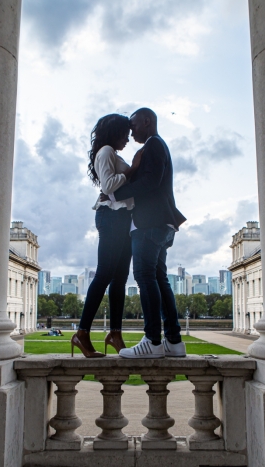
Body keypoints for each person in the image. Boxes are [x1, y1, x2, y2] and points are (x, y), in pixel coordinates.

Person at [110, 108, 187, 358]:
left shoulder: (153, 145)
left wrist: (115, 193)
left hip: (150, 224)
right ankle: (173, 342)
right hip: (162, 224)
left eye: (134, 126)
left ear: (147, 121)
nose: (131, 131)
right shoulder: (157, 145)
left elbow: (150, 183)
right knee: (158, 278)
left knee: (144, 276)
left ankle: (153, 341)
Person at [71, 114, 141, 358]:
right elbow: (108, 186)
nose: (128, 139)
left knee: (120, 279)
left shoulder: (112, 153)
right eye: (125, 134)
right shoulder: (106, 151)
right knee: (103, 275)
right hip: (111, 217)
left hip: (122, 219)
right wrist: (132, 171)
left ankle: (115, 333)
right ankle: (81, 333)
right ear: (114, 132)